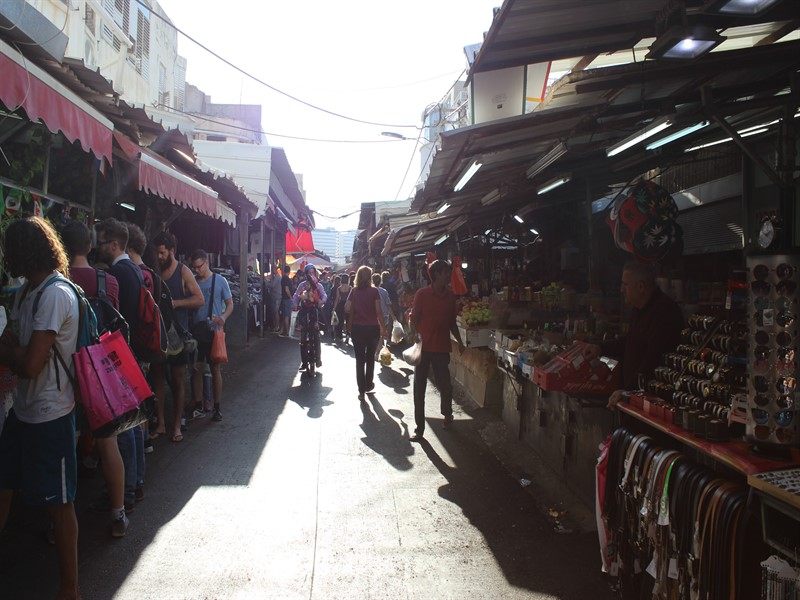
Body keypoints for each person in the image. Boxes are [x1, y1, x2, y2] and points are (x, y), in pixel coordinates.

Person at [0, 217, 80, 599]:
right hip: (24, 410)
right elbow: (18, 347)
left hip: (52, 415)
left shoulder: (54, 294)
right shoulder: (26, 292)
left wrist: (9, 349)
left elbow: (30, 363)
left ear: (23, 252)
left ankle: (70, 590)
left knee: (60, 505)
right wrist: (13, 349)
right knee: (3, 484)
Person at [60, 221, 130, 538]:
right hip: (100, 371)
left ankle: (59, 521)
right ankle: (118, 513)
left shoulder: (59, 283)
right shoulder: (108, 281)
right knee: (108, 442)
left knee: (68, 447)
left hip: (67, 374)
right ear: (90, 246)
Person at [95, 219, 146, 513]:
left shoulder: (116, 274)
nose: (99, 247)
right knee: (134, 424)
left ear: (114, 245)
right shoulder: (135, 271)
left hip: (120, 355)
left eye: (102, 242)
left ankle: (125, 489)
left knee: (124, 426)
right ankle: (135, 482)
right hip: (132, 354)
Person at [588, 261, 684, 410]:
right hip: (633, 396)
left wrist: (629, 391)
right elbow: (630, 342)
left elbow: (653, 359)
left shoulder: (664, 312)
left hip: (653, 402)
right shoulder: (639, 309)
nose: (621, 289)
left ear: (641, 287)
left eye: (625, 285)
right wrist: (600, 348)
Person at [152, 231, 205, 442]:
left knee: (177, 381)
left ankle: (176, 425)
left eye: (162, 252)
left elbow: (199, 299)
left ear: (171, 251)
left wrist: (175, 304)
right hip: (157, 335)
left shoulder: (183, 272)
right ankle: (162, 424)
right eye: (157, 253)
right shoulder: (154, 270)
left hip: (178, 337)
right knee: (157, 379)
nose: (159, 256)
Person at [410, 260, 465, 441]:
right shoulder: (422, 294)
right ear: (436, 274)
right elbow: (414, 318)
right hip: (424, 349)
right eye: (445, 273)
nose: (448, 276)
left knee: (446, 386)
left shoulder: (450, 297)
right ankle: (419, 428)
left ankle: (447, 413)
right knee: (419, 388)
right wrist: (415, 336)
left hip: (442, 348)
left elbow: (451, 322)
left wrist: (460, 341)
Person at [190, 249, 233, 421]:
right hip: (197, 331)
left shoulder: (220, 281)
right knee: (197, 369)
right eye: (194, 268)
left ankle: (217, 407)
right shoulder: (193, 282)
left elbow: (230, 304)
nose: (197, 270)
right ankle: (199, 405)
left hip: (214, 332)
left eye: (199, 266)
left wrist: (223, 317)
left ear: (206, 263)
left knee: (215, 369)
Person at [347, 266, 387, 398]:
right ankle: (368, 383)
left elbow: (349, 310)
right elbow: (378, 311)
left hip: (357, 329)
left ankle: (361, 390)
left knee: (359, 360)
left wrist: (349, 326)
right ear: (369, 277)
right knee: (370, 358)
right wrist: (384, 327)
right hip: (372, 329)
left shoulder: (354, 291)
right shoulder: (374, 291)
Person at [292, 265, 327, 374]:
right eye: (309, 272)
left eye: (313, 272)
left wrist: (322, 301)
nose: (311, 274)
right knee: (303, 338)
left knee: (316, 336)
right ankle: (304, 362)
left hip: (314, 312)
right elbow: (296, 296)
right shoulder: (302, 285)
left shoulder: (318, 285)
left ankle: (318, 359)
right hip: (303, 313)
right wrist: (295, 304)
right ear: (306, 274)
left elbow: (324, 295)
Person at [372, 272, 396, 359]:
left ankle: (377, 351)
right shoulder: (384, 291)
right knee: (381, 335)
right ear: (380, 281)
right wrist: (393, 317)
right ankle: (378, 352)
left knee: (376, 335)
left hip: (373, 316)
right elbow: (388, 304)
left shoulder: (370, 291)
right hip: (384, 316)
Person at [332, 273, 352, 342]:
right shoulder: (350, 288)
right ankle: (348, 335)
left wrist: (334, 308)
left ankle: (340, 336)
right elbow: (351, 298)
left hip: (340, 305)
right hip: (348, 305)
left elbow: (337, 299)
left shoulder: (339, 288)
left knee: (340, 321)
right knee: (348, 320)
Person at [279, 266, 294, 337]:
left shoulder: (283, 278)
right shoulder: (287, 279)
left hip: (284, 298)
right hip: (287, 299)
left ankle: (283, 331)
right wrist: (291, 297)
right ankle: (287, 332)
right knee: (287, 316)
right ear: (289, 271)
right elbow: (287, 289)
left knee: (285, 315)